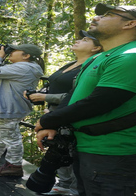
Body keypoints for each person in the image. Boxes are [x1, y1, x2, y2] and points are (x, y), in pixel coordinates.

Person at [35, 4, 136, 196]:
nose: (96, 18)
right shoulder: (98, 58)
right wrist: (54, 123)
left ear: (130, 23)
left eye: (107, 15)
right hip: (84, 143)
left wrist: (47, 120)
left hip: (112, 149)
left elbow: (101, 101)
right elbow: (75, 94)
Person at [26, 31, 102, 196]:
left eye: (85, 40)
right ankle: (63, 185)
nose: (78, 40)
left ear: (96, 48)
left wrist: (45, 97)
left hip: (71, 115)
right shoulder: (71, 64)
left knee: (72, 153)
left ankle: (74, 190)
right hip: (55, 113)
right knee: (59, 150)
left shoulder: (92, 66)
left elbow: (80, 95)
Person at [0, 43, 45, 176]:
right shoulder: (25, 66)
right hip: (10, 106)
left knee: (11, 138)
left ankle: (14, 165)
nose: (10, 52)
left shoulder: (25, 67)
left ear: (26, 56)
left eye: (15, 50)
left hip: (11, 107)